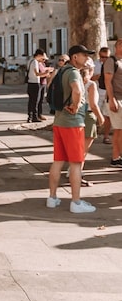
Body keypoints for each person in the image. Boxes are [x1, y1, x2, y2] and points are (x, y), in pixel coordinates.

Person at [46, 44, 97, 213]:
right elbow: (76, 90)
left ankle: (52, 198)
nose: (87, 58)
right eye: (84, 55)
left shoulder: (62, 70)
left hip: (59, 121)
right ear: (75, 57)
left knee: (58, 161)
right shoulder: (74, 72)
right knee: (76, 163)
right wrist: (76, 106)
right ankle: (76, 202)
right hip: (73, 123)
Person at [76, 62, 104, 186]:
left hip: (75, 116)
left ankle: (74, 172)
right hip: (88, 115)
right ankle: (78, 175)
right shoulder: (90, 84)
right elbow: (93, 104)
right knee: (83, 150)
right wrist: (100, 117)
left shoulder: (74, 83)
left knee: (77, 147)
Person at [103, 39, 122, 167]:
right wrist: (112, 99)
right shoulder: (112, 61)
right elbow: (107, 81)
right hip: (116, 99)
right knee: (119, 130)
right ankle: (116, 157)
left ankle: (117, 157)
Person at [92, 46, 112, 144]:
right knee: (93, 114)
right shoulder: (95, 64)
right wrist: (98, 76)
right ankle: (92, 134)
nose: (104, 59)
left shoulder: (113, 64)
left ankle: (106, 136)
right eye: (102, 57)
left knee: (108, 116)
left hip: (108, 93)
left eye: (106, 57)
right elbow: (89, 78)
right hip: (97, 92)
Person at [26, 49, 53, 122]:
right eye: (42, 57)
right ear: (38, 55)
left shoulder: (30, 60)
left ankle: (30, 116)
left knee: (32, 100)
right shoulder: (34, 62)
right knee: (35, 101)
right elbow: (37, 74)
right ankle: (34, 117)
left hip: (30, 82)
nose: (42, 59)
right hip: (34, 82)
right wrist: (46, 73)